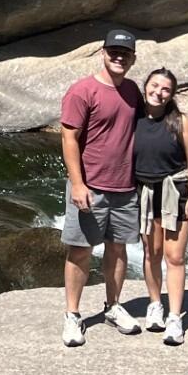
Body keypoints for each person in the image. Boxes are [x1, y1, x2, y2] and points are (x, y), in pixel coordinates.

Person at [58, 28, 143, 347]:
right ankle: (72, 315)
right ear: (103, 53)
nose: (119, 57)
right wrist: (78, 184)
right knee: (80, 250)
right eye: (113, 52)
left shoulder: (132, 91)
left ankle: (113, 306)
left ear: (133, 59)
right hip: (90, 186)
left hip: (125, 187)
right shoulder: (82, 91)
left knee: (118, 248)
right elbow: (68, 137)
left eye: (125, 53)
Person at [135, 68, 188, 346]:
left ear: (172, 94)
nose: (158, 92)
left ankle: (175, 317)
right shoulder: (134, 118)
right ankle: (155, 305)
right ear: (145, 86)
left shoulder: (180, 121)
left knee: (174, 257)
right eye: (154, 86)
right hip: (145, 193)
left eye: (165, 89)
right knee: (152, 252)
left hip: (176, 191)